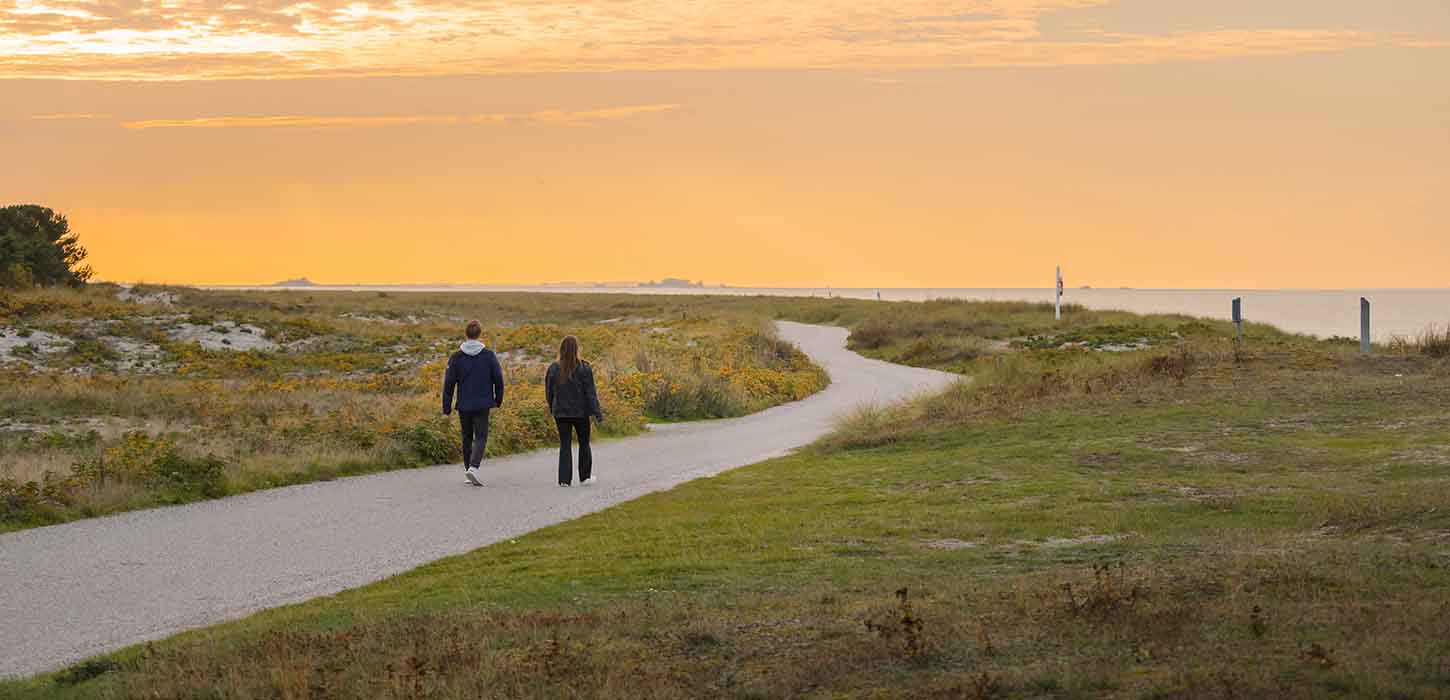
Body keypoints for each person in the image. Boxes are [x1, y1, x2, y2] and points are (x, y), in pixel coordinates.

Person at [442, 320, 504, 486]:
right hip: (483, 403)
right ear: (479, 334)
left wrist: (446, 409)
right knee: (481, 436)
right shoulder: (488, 355)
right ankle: (473, 468)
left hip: (464, 404)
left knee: (467, 437)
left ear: (466, 334)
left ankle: (468, 469)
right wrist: (498, 399)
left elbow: (448, 384)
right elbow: (498, 379)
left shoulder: (456, 357)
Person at [545, 335, 603, 487]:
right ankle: (585, 478)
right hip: (581, 413)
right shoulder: (584, 368)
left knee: (565, 445)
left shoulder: (553, 368)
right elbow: (590, 393)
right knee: (584, 443)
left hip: (561, 413)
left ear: (561, 349)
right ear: (577, 349)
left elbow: (549, 392)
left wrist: (552, 407)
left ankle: (564, 479)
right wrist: (597, 413)